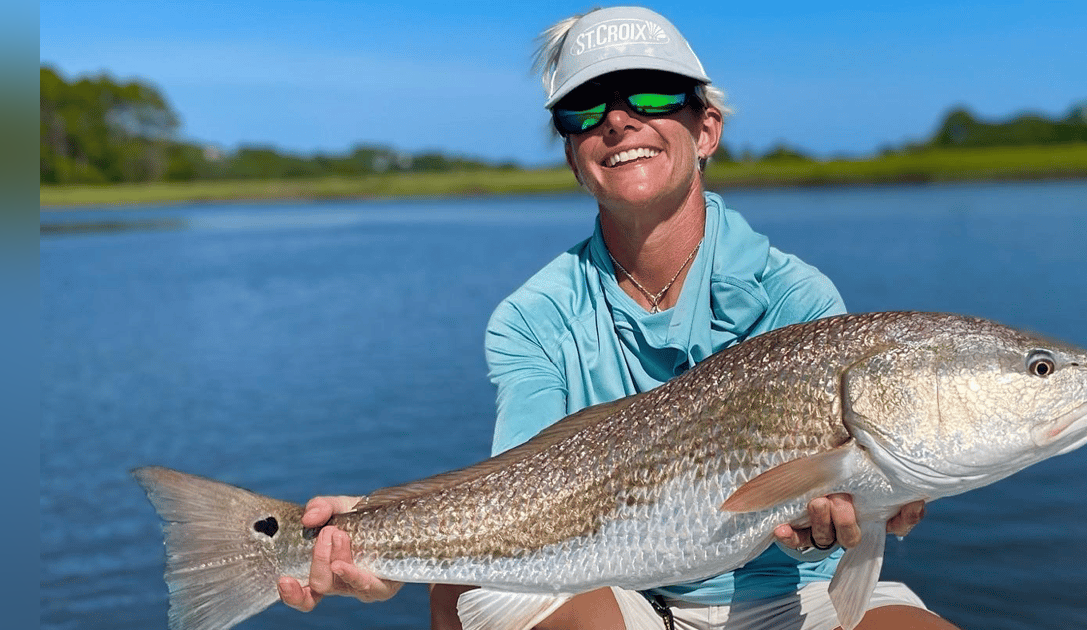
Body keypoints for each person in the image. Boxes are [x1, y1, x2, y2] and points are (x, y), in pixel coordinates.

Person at [279, 7, 958, 630]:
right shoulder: (533, 318)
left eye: (655, 93)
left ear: (707, 128)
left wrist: (887, 502)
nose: (619, 119)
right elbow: (518, 493)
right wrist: (373, 536)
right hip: (612, 591)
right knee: (456, 593)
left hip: (795, 594)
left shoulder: (796, 297)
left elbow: (872, 495)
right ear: (573, 152)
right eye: (584, 107)